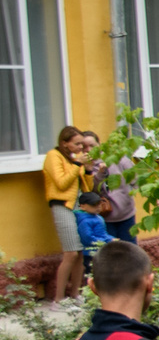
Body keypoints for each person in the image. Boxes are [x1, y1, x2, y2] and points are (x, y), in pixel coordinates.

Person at [42, 124, 91, 301]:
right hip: (62, 205)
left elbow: (88, 187)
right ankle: (58, 300)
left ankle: (75, 294)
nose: (81, 148)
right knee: (70, 253)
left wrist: (89, 170)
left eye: (82, 145)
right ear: (64, 143)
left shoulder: (72, 159)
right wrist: (78, 163)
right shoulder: (53, 156)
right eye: (77, 144)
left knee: (79, 253)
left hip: (79, 206)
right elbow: (62, 183)